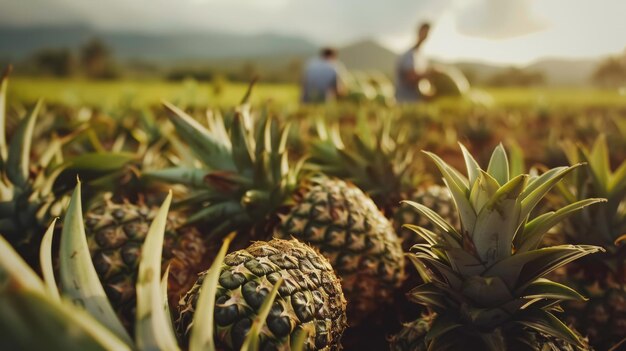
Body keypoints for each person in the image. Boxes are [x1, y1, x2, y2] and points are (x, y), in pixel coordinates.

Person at [395, 22, 432, 103]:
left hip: (417, 102)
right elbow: (411, 78)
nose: (425, 35)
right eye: (423, 32)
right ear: (418, 32)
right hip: (405, 102)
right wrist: (431, 73)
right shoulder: (408, 55)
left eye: (427, 33)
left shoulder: (422, 58)